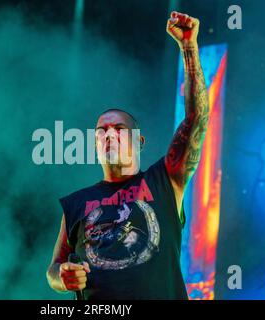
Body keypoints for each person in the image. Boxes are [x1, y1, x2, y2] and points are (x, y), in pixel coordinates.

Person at [46, 11, 209, 300]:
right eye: (101, 131)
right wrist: (63, 276)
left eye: (119, 128)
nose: (109, 134)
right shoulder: (76, 202)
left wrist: (188, 47)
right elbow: (54, 269)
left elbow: (196, 120)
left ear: (139, 140)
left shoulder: (165, 180)